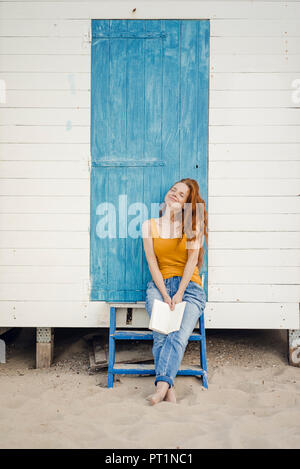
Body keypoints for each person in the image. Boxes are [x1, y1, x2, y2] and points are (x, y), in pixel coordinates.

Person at [142, 178, 208, 405]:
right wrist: (165, 293)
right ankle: (168, 388)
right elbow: (152, 263)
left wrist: (179, 294)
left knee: (177, 335)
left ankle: (160, 388)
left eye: (181, 195)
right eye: (173, 190)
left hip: (189, 288)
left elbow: (191, 263)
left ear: (186, 204)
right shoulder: (148, 225)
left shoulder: (193, 225)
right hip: (159, 286)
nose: (174, 195)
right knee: (161, 332)